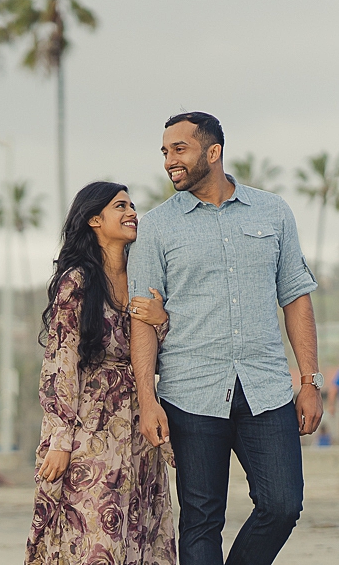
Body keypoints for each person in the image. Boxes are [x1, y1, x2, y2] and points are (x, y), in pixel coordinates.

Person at [129, 112, 322, 565]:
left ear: (213, 152)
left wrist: (310, 381)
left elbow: (295, 297)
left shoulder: (273, 212)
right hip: (189, 391)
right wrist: (146, 398)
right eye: (164, 152)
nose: (169, 161)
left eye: (180, 149)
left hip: (266, 389)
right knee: (200, 519)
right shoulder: (156, 227)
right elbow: (141, 319)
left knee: (282, 504)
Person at [25, 181, 176, 565]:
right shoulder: (77, 281)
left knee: (139, 530)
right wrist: (60, 440)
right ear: (94, 219)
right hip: (90, 429)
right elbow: (60, 361)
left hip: (141, 424)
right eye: (120, 206)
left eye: (131, 205)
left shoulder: (146, 276)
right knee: (94, 536)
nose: (131, 212)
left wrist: (162, 322)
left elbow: (166, 354)